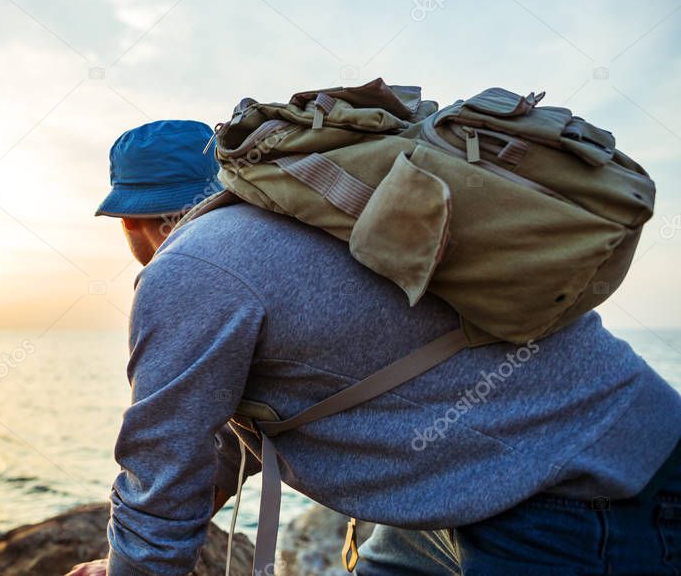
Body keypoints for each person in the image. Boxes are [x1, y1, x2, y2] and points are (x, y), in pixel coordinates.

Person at [69, 119, 681, 576]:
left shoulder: (190, 268)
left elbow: (163, 457)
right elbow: (230, 433)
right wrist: (132, 557)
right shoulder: (312, 216)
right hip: (509, 473)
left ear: (130, 221)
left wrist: (132, 567)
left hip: (577, 490)